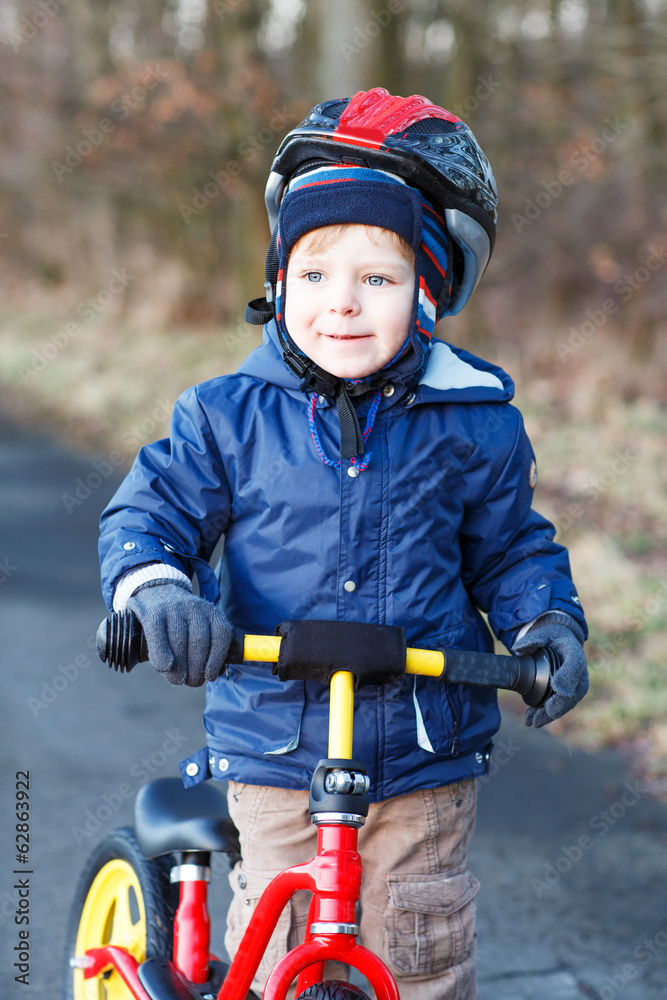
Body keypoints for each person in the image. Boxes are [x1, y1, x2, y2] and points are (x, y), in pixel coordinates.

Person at [99, 88, 588, 1000]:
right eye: (316, 276)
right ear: (280, 285)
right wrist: (157, 588)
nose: (343, 305)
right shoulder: (225, 417)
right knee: (279, 949)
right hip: (275, 746)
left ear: (427, 298)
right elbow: (150, 513)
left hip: (421, 753)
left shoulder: (474, 426)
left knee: (419, 955)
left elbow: (511, 551)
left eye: (379, 279)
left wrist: (545, 625)